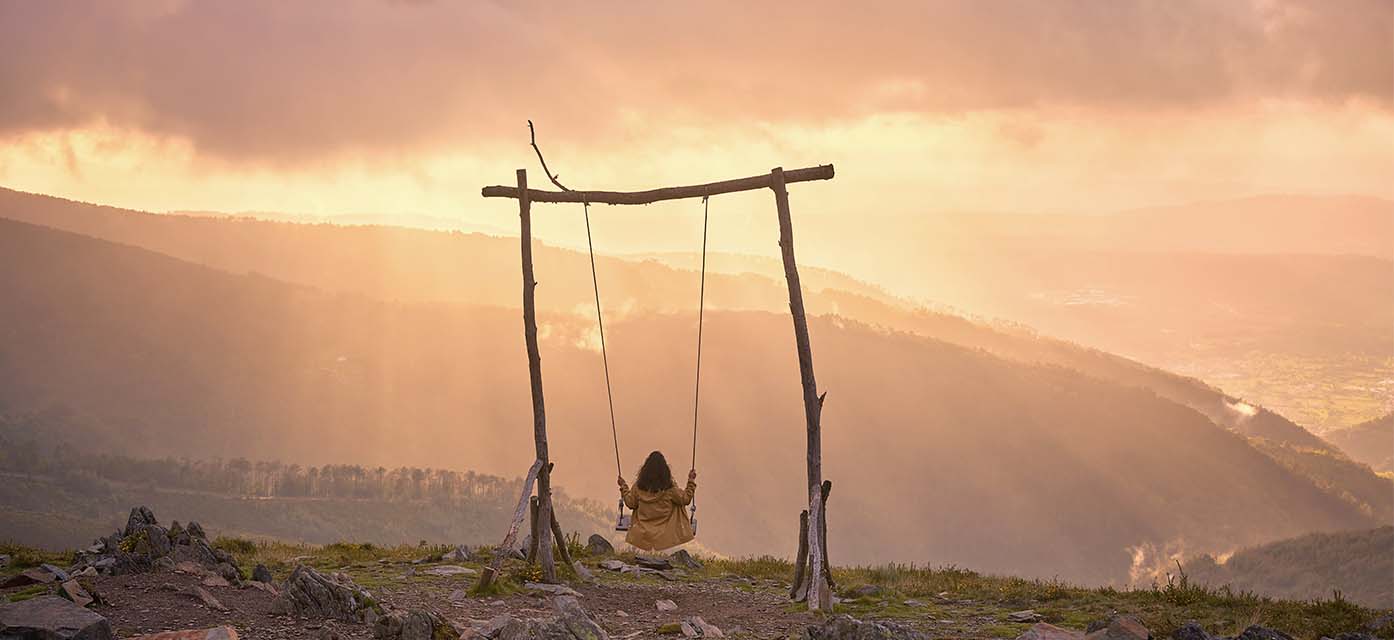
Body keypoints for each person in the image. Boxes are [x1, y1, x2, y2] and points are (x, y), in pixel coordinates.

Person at [617, 450, 697, 551]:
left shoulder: (638, 488)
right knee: (678, 503)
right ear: (665, 471)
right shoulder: (670, 490)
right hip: (666, 534)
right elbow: (685, 499)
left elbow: (630, 503)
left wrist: (623, 486)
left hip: (643, 534)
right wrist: (691, 481)